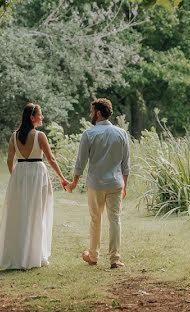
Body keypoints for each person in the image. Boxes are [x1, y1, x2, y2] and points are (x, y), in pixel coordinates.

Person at [0, 103, 70, 270]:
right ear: (32, 117)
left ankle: (17, 256)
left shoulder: (14, 136)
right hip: (37, 174)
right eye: (40, 114)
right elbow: (51, 159)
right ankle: (34, 255)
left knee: (19, 214)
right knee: (37, 213)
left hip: (20, 173)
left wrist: (16, 177)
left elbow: (9, 160)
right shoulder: (40, 136)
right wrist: (63, 178)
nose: (42, 117)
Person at [67, 97, 130, 269]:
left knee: (96, 220)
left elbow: (81, 163)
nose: (90, 114)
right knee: (115, 220)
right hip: (116, 183)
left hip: (96, 184)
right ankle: (115, 259)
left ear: (99, 113)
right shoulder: (122, 133)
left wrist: (73, 183)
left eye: (92, 111)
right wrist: (125, 185)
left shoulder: (89, 134)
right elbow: (126, 165)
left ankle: (93, 256)